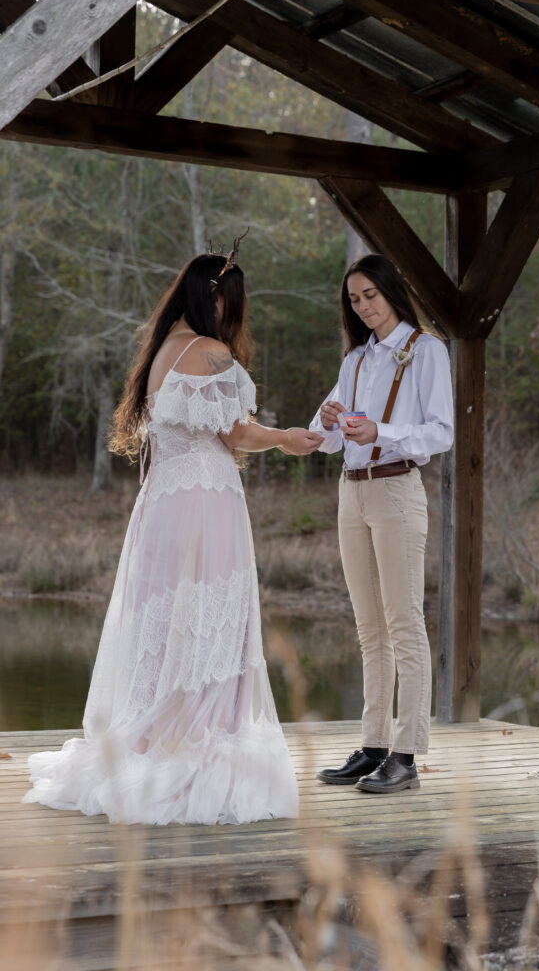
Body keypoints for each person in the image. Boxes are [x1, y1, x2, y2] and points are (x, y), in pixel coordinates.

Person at [23, 235, 323, 825]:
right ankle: (196, 739)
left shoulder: (161, 349)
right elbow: (236, 435)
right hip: (205, 500)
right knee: (211, 617)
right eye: (235, 303)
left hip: (161, 501)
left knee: (166, 621)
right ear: (220, 301)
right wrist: (286, 438)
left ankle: (154, 731)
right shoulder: (211, 352)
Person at [310, 254, 453, 794]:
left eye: (370, 294)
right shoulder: (356, 361)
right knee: (369, 628)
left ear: (392, 290)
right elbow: (326, 438)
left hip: (395, 489)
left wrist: (382, 433)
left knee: (403, 623)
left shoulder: (426, 351)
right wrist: (325, 423)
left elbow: (441, 432)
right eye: (354, 299)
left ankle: (407, 755)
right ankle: (373, 745)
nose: (363, 306)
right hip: (352, 492)